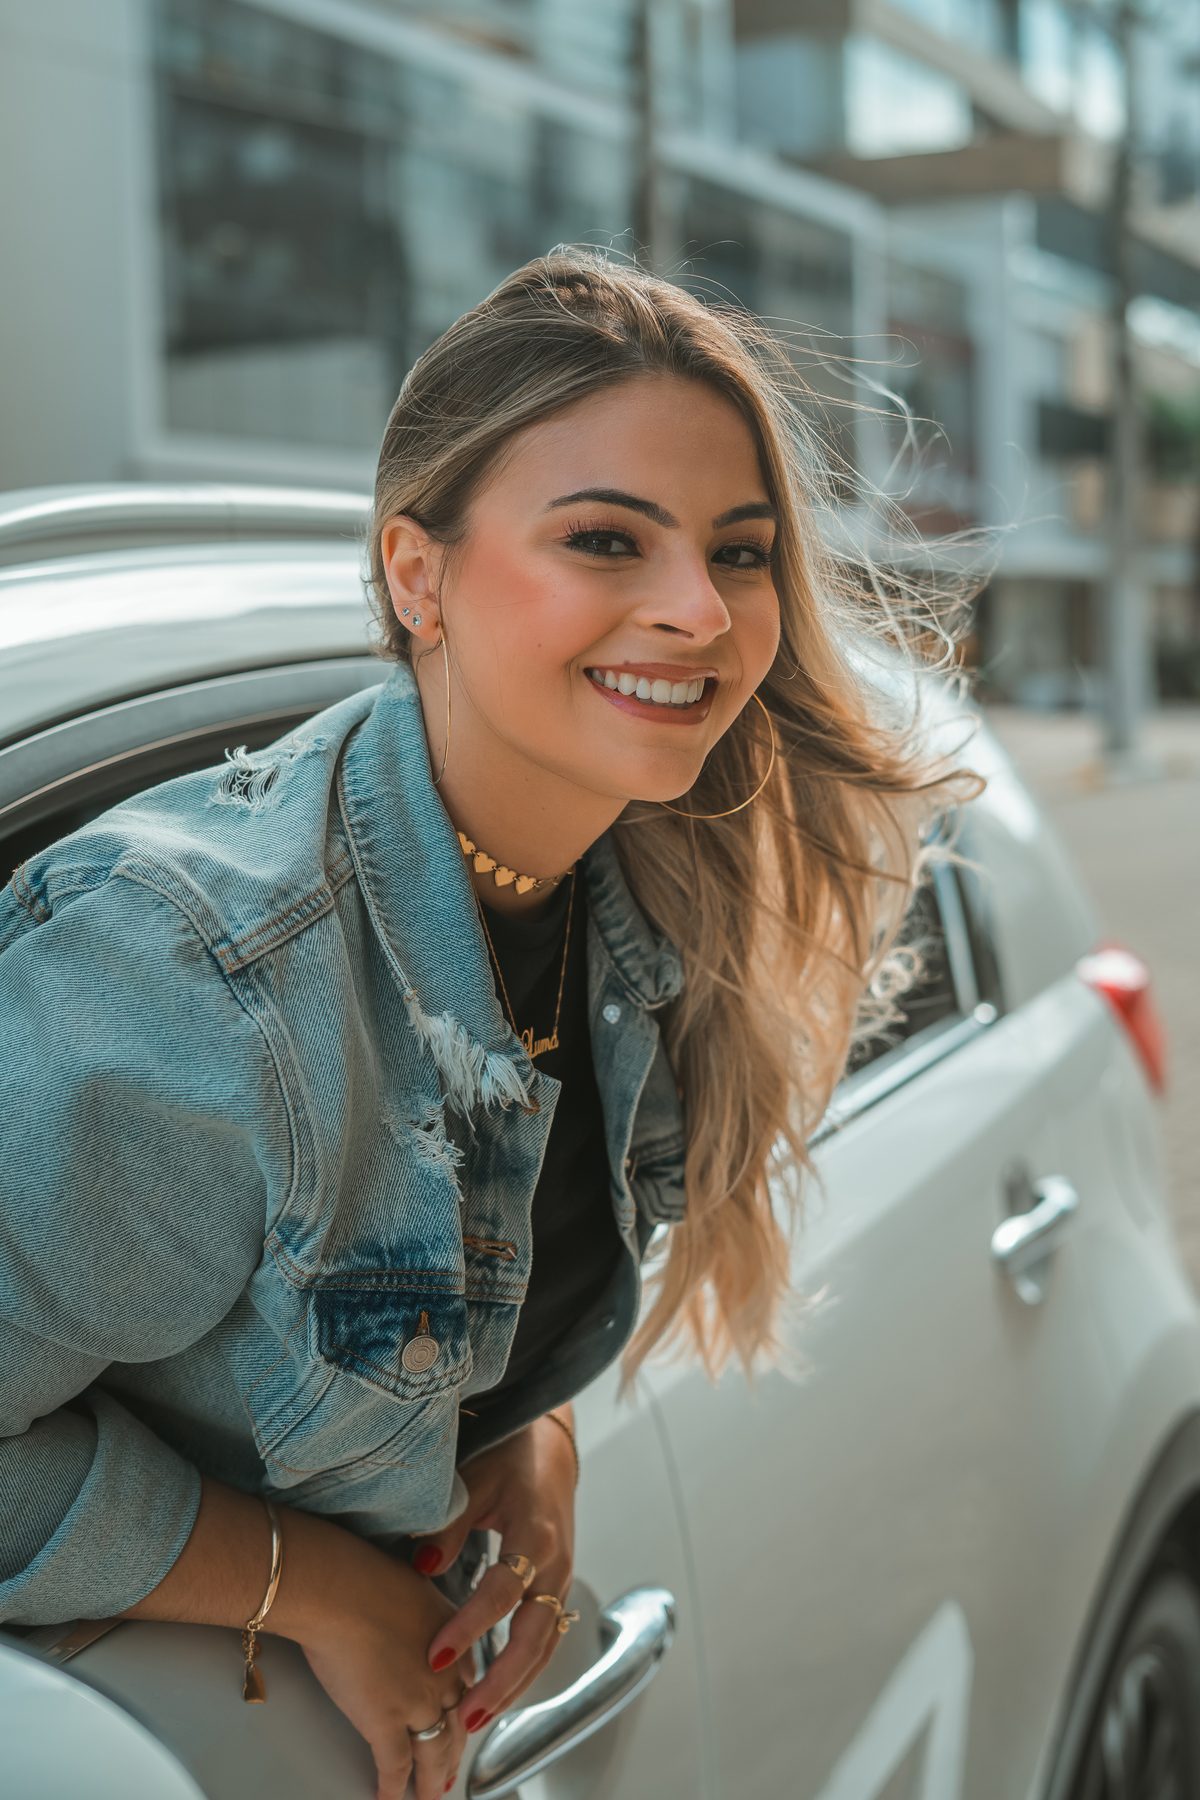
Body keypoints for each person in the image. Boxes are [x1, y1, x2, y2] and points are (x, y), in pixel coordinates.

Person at [0, 252, 960, 1799]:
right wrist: (314, 1590)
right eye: (606, 539)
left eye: (741, 551)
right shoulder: (198, 979)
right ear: (417, 575)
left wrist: (528, 1432)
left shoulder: (655, 892)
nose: (699, 610)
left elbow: (480, 1261)